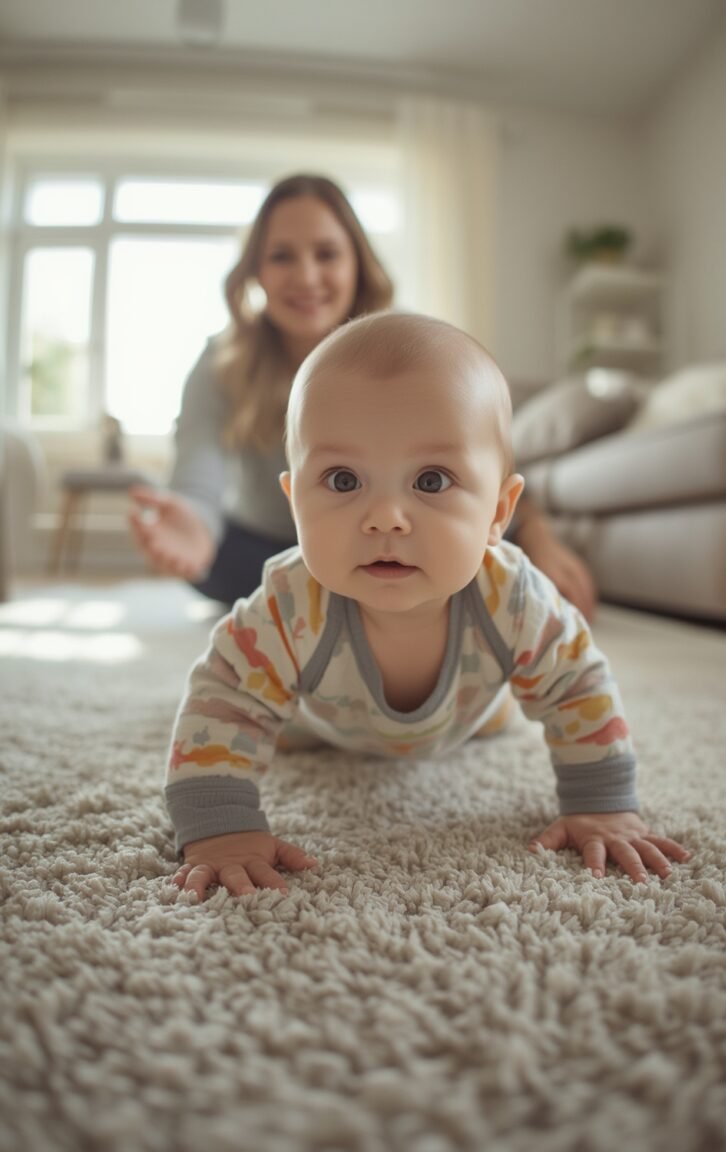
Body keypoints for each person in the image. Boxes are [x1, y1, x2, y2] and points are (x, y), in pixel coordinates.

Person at [165, 312, 689, 902]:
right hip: (324, 719)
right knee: (263, 718)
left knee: (501, 715)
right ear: (294, 504)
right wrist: (221, 828)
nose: (386, 515)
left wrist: (601, 804)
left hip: (470, 712)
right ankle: (293, 720)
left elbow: (576, 683)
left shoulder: (512, 597)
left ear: (497, 512)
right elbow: (224, 699)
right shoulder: (288, 608)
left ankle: (487, 712)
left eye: (432, 481)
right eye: (342, 480)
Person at [128, 172, 597, 619]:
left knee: (465, 536)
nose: (307, 276)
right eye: (282, 256)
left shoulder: (414, 348)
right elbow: (199, 478)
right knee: (224, 564)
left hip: (394, 536)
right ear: (256, 272)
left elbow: (480, 461)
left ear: (357, 264)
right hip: (262, 549)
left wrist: (537, 536)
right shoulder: (219, 363)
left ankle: (355, 595)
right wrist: (195, 527)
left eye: (327, 254)